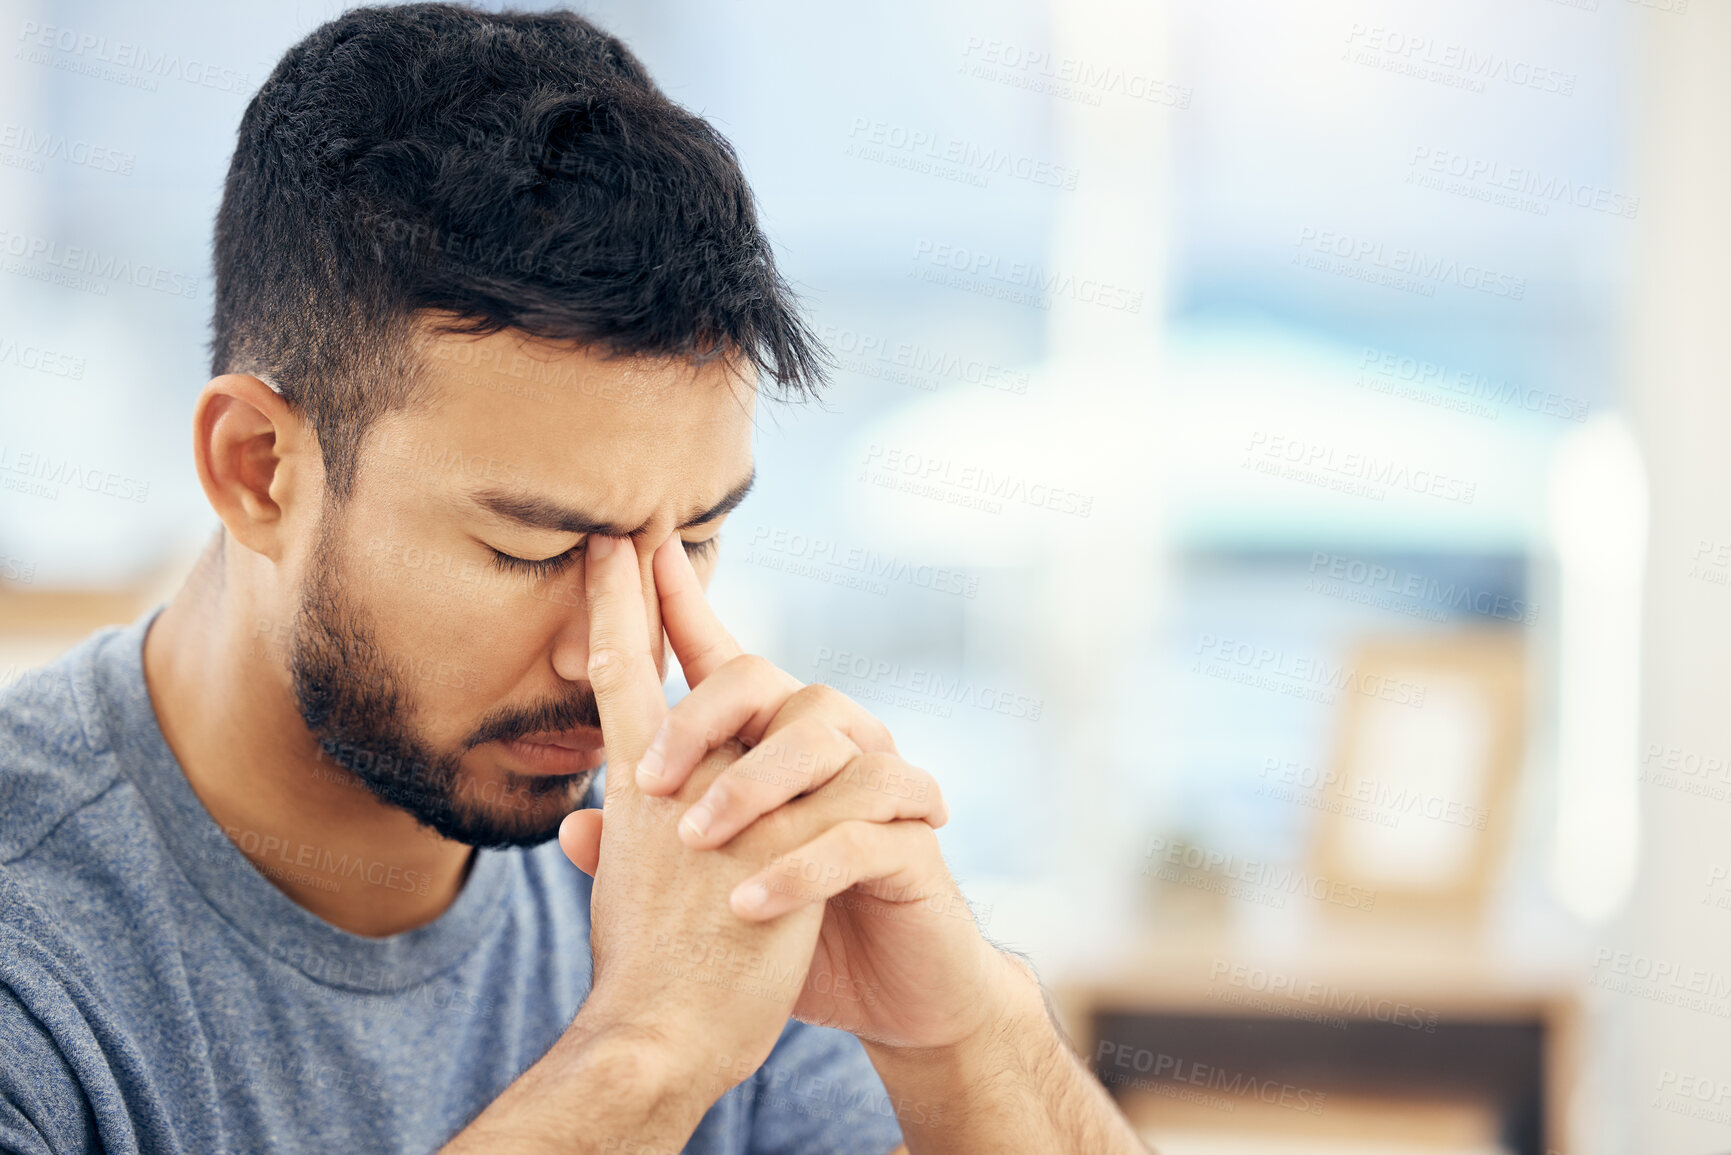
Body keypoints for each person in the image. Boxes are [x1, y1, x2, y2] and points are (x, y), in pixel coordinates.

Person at [0, 4, 1149, 1152]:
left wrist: (964, 1034)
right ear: (257, 472)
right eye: (535, 551)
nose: (619, 657)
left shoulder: (700, 871)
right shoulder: (35, 939)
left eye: (691, 540)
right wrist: (641, 1060)